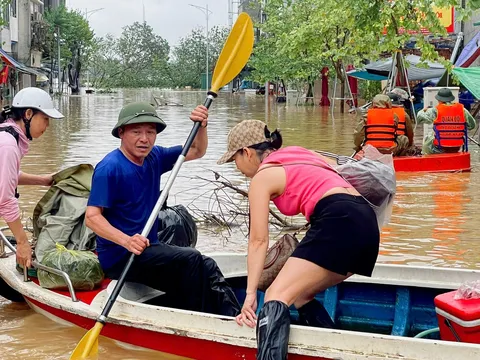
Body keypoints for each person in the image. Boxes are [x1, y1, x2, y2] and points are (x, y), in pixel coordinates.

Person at [217, 120, 380, 359]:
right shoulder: (299, 154)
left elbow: (258, 241)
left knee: (275, 296)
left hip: (337, 219)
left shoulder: (262, 177)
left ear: (247, 152)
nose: (237, 167)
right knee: (301, 296)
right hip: (366, 223)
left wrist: (251, 294)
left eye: (235, 160)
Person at [86, 102, 240, 316]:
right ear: (121, 132)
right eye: (137, 132)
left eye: (150, 132)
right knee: (193, 259)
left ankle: (226, 318)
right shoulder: (109, 168)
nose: (144, 139)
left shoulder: (154, 157)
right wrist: (127, 241)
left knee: (204, 268)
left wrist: (201, 126)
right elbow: (92, 218)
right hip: (121, 256)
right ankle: (228, 318)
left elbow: (196, 150)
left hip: (149, 249)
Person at [0, 87, 64, 270]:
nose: (47, 126)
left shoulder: (8, 137)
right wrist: (22, 242)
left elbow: (8, 176)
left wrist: (43, 180)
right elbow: (5, 199)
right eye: (45, 119)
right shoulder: (8, 144)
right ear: (28, 114)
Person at [417, 88, 476, 155]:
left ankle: (426, 160)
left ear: (439, 100)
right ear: (451, 99)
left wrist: (423, 110)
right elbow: (472, 126)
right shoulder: (463, 110)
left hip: (440, 146)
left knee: (428, 139)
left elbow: (419, 118)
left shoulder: (435, 110)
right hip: (456, 147)